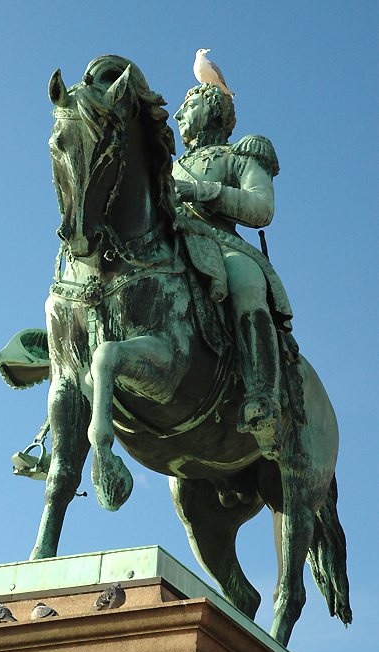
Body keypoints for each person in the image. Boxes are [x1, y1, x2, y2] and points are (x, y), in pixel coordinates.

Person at [173, 83, 289, 461]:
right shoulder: (166, 166)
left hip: (223, 247)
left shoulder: (240, 154)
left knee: (247, 287)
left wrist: (202, 191)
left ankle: (263, 398)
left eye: (188, 104)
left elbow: (261, 208)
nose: (178, 115)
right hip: (174, 247)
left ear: (211, 109)